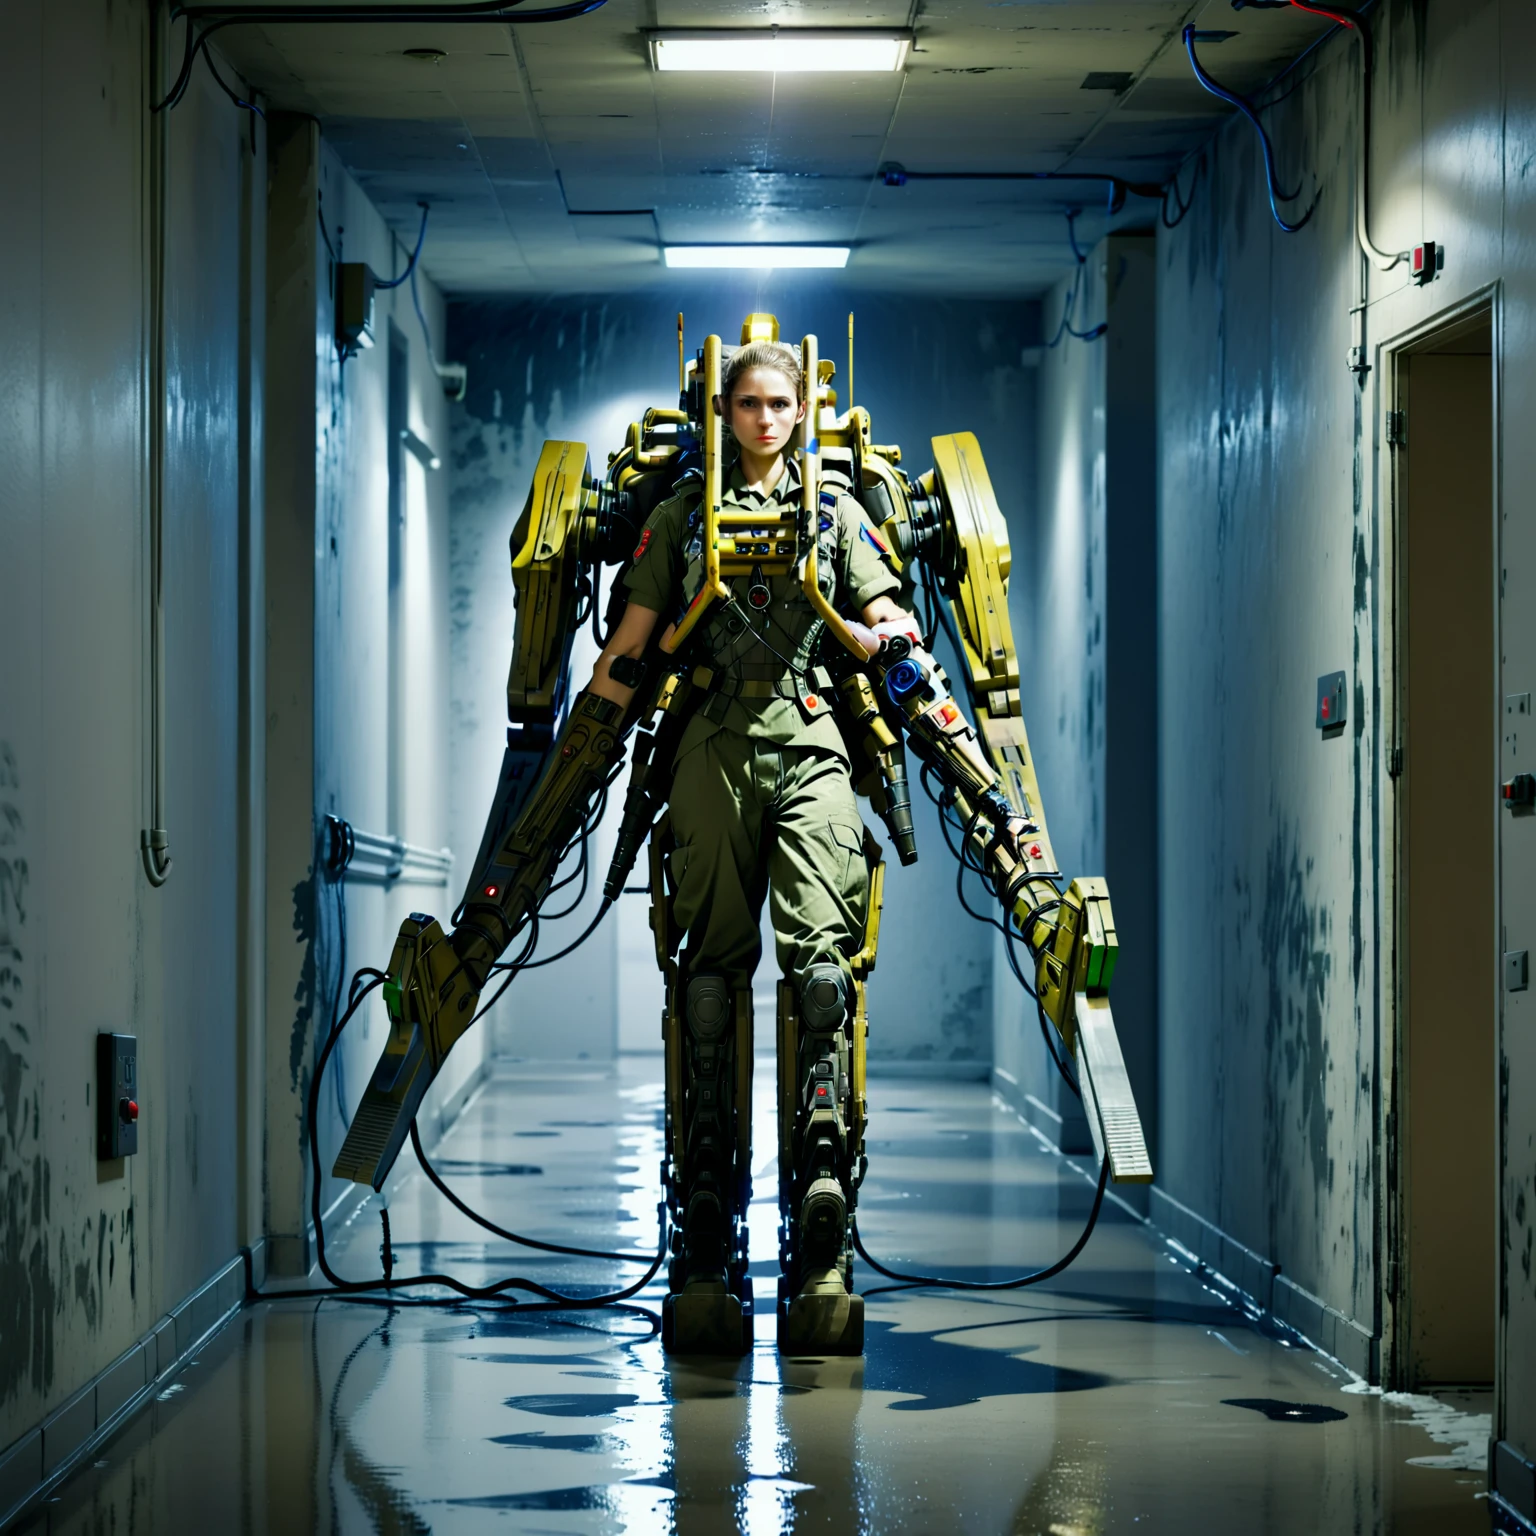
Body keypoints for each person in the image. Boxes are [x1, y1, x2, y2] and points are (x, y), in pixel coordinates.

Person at [582, 339, 920, 1346]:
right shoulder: (682, 516)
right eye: (747, 404)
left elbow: (888, 615)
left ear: (804, 408)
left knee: (824, 973)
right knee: (706, 978)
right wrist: (585, 747)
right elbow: (629, 649)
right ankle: (703, 1204)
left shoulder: (836, 514)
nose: (765, 420)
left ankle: (824, 1192)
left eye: (780, 404)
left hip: (813, 741)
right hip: (709, 744)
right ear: (720, 410)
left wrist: (887, 641)